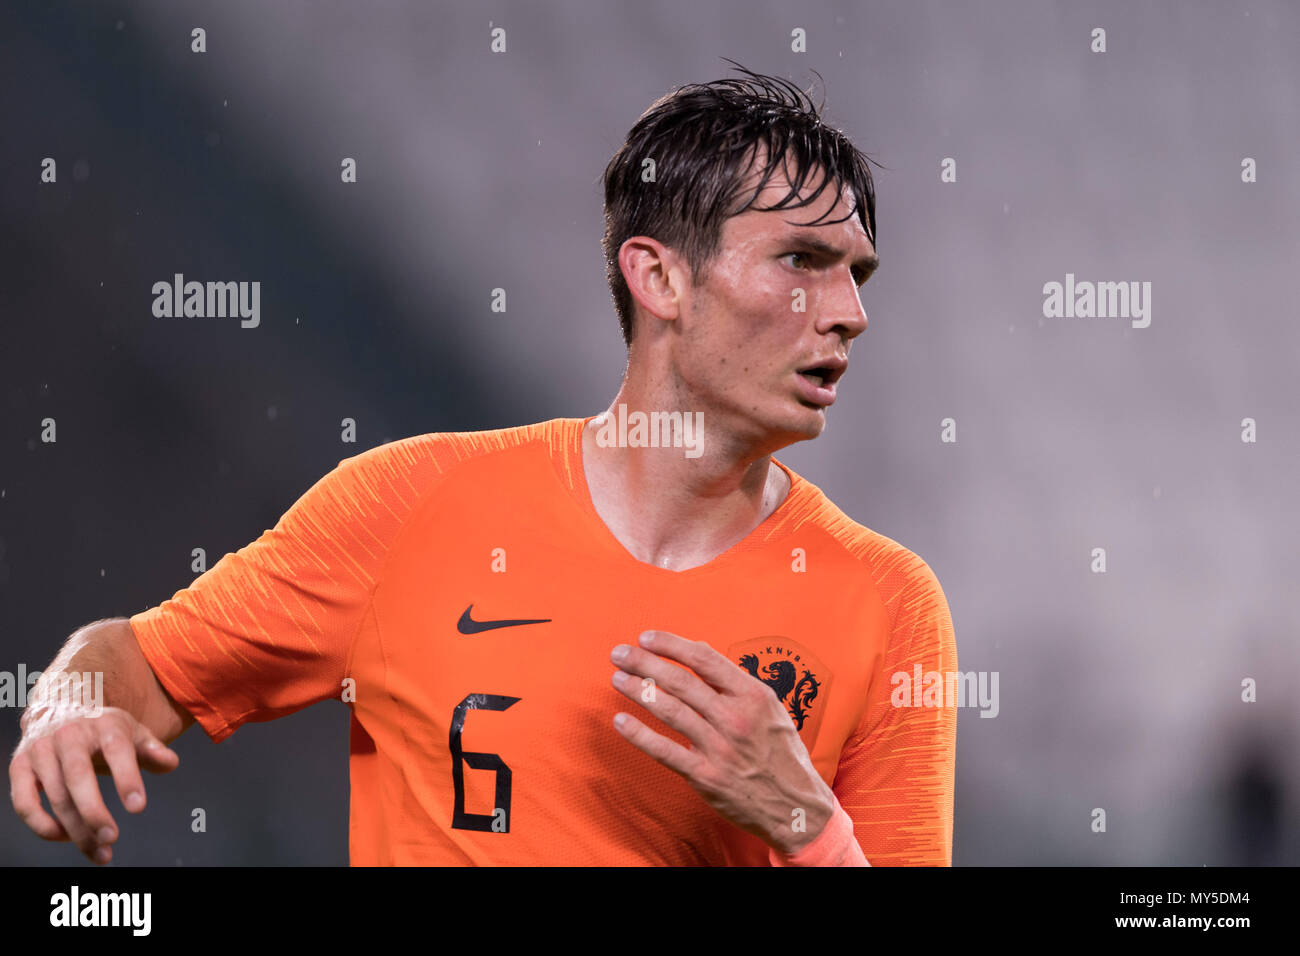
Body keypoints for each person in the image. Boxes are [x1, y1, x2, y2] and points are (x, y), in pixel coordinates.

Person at [9, 62, 957, 866]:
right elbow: (138, 660)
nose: (848, 312)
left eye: (856, 275)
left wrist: (802, 821)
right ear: (659, 276)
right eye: (801, 261)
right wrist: (67, 704)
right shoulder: (409, 504)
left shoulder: (885, 603)